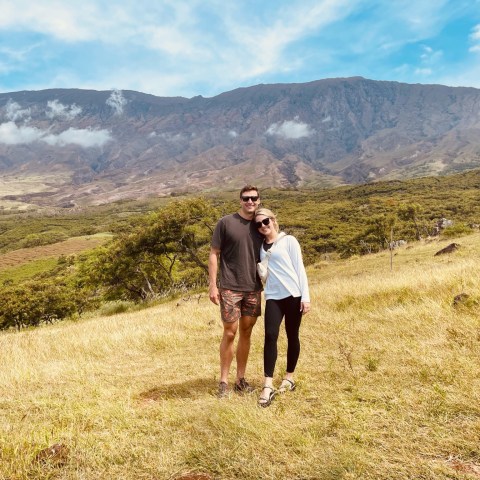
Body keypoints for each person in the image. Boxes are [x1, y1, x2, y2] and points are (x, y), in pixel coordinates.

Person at [209, 185, 264, 397]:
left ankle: (240, 379)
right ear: (240, 200)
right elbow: (214, 253)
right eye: (246, 198)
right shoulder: (225, 223)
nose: (250, 202)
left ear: (259, 200)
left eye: (254, 198)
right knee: (230, 331)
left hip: (253, 287)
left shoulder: (261, 224)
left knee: (247, 332)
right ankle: (224, 381)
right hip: (230, 286)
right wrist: (213, 284)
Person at [254, 207, 311, 407]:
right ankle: (267, 385)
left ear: (273, 220)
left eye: (266, 221)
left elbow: (300, 268)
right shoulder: (260, 246)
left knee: (292, 334)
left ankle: (289, 377)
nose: (263, 226)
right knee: (270, 335)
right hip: (273, 297)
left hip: (294, 295)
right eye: (258, 224)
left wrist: (306, 296)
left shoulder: (289, 241)